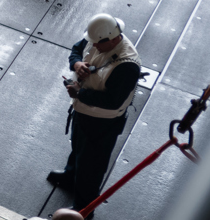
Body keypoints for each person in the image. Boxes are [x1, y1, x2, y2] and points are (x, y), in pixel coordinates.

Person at [49, 13, 141, 215]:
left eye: (98, 44)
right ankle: (71, 176)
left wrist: (80, 93)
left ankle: (84, 208)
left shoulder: (127, 66)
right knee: (78, 147)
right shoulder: (97, 37)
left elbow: (113, 101)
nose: (94, 46)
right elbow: (76, 50)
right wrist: (77, 64)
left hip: (102, 123)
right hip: (83, 111)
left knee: (92, 165)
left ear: (112, 39)